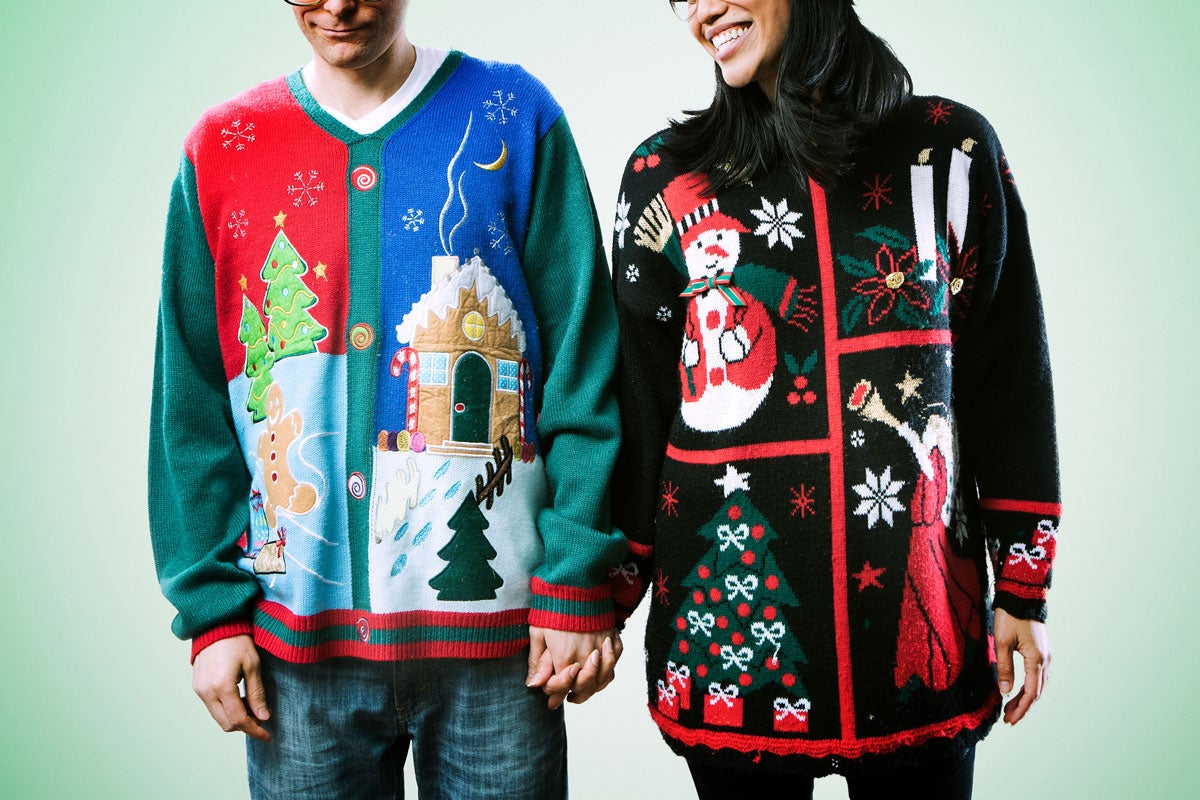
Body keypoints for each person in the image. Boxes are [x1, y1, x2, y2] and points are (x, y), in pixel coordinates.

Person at [148, 1, 624, 797]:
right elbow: (191, 402)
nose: (337, 6)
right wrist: (210, 614)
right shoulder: (222, 150)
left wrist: (577, 580)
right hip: (293, 655)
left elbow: (583, 359)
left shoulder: (512, 113)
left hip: (501, 650)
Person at [608, 0, 1059, 797]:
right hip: (730, 641)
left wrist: (1023, 584)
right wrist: (596, 599)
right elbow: (639, 413)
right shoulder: (662, 178)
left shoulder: (949, 151)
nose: (703, 10)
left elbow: (1008, 379)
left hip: (919, 642)